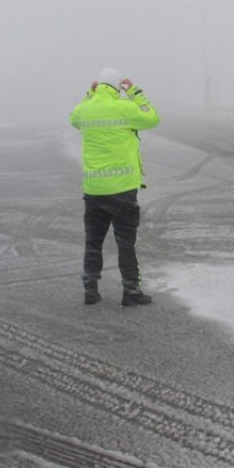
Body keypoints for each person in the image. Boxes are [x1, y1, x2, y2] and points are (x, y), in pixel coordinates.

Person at [69, 68, 161, 306]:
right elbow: (152, 117)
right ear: (118, 87)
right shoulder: (125, 108)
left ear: (99, 85)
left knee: (93, 242)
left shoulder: (84, 110)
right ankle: (130, 292)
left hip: (94, 190)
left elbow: (74, 118)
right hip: (122, 190)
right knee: (125, 243)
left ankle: (90, 288)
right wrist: (135, 92)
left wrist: (89, 94)